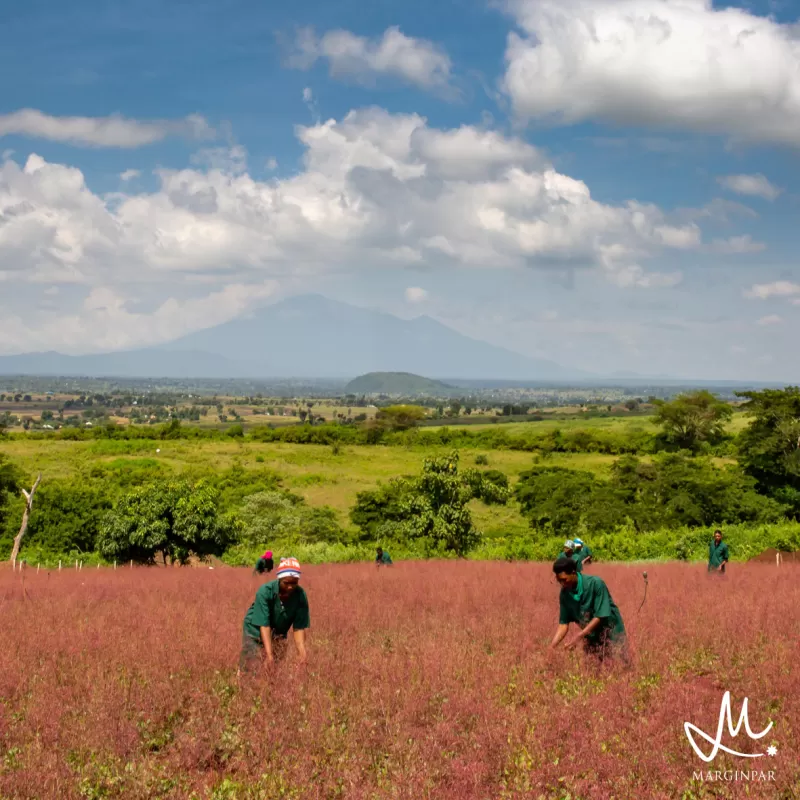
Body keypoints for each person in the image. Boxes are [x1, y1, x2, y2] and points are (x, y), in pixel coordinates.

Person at [549, 556, 627, 663]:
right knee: (593, 667)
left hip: (611, 630)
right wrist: (551, 648)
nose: (562, 584)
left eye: (564, 580)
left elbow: (600, 615)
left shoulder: (596, 584)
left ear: (573, 572)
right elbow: (563, 624)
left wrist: (579, 637)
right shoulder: (564, 594)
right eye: (559, 581)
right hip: (590, 634)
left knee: (618, 663)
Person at [239, 557, 309, 674]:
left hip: (278, 632)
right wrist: (269, 655)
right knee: (253, 666)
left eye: (294, 583)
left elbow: (299, 627)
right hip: (255, 629)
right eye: (286, 583)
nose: (290, 587)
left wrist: (302, 653)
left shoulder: (300, 595)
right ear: (279, 579)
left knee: (273, 669)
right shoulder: (265, 591)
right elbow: (264, 624)